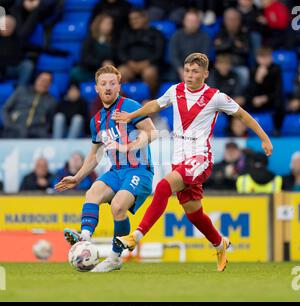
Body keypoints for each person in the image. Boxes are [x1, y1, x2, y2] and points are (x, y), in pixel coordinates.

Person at [113, 52, 273, 272]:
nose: (189, 75)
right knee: (194, 213)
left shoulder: (215, 97)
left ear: (205, 74)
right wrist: (131, 116)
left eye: (195, 71)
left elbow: (243, 116)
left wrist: (264, 138)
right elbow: (154, 106)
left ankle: (136, 236)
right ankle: (220, 244)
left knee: (162, 187)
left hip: (200, 159)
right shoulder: (175, 90)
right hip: (178, 160)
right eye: (187, 70)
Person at [54, 65, 157, 273]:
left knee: (118, 207)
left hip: (139, 171)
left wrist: (128, 146)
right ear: (96, 89)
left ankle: (115, 257)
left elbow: (152, 133)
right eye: (103, 84)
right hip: (116, 172)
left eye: (112, 83)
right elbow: (95, 154)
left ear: (119, 86)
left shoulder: (130, 106)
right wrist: (77, 176)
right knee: (91, 192)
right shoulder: (97, 120)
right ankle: (84, 238)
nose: (108, 87)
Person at [117, 8, 165, 97]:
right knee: (119, 73)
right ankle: (122, 102)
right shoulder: (126, 33)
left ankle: (151, 99)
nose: (133, 21)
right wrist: (129, 62)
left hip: (148, 65)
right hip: (130, 65)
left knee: (150, 73)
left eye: (136, 18)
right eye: (131, 19)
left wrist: (147, 63)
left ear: (144, 18)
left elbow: (159, 52)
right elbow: (121, 51)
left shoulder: (156, 33)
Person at [2, 71, 57, 138]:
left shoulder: (52, 100)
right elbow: (5, 109)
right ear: (36, 80)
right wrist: (9, 124)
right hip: (15, 128)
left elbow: (50, 120)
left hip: (38, 132)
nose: (44, 83)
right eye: (42, 80)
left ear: (50, 85)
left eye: (47, 81)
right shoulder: (21, 91)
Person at [245, 47, 283, 132]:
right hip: (256, 100)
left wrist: (266, 98)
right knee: (243, 103)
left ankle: (277, 129)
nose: (265, 60)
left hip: (271, 99)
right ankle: (242, 130)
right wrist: (258, 80)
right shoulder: (253, 69)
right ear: (257, 58)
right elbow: (250, 91)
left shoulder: (276, 69)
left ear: (271, 58)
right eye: (262, 57)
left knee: (280, 103)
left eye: (267, 57)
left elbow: (278, 90)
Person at [70, 14, 116, 84]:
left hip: (108, 72)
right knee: (75, 72)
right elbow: (85, 58)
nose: (109, 26)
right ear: (98, 24)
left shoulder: (114, 41)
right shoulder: (90, 40)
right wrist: (101, 63)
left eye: (110, 24)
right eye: (106, 23)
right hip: (90, 70)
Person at [169, 9, 211, 81]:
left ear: (198, 23)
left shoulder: (205, 37)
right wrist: (181, 71)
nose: (191, 24)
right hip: (179, 69)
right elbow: (174, 56)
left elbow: (203, 57)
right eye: (189, 21)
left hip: (198, 68)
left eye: (194, 22)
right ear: (184, 22)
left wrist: (192, 72)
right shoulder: (176, 36)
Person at [0, 15, 34, 86]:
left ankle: (20, 90)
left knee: (27, 65)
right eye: (5, 25)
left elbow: (30, 48)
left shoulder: (19, 39)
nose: (7, 28)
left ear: (13, 27)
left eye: (9, 26)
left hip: (13, 67)